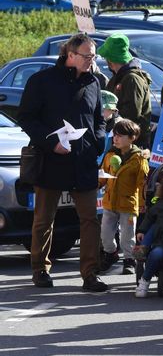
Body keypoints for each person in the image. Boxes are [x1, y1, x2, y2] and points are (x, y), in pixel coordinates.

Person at [18, 32, 108, 292]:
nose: (91, 60)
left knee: (90, 219)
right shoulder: (42, 81)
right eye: (87, 55)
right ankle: (40, 269)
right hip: (51, 159)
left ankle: (90, 274)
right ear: (70, 55)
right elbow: (27, 118)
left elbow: (98, 120)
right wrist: (50, 143)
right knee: (44, 218)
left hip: (83, 162)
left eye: (93, 55)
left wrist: (97, 142)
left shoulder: (93, 82)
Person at [98, 118, 150, 275]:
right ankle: (110, 253)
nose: (116, 138)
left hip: (128, 202)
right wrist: (98, 183)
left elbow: (142, 183)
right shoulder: (110, 155)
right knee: (105, 233)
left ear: (132, 138)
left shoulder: (139, 158)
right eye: (115, 135)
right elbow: (103, 174)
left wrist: (142, 203)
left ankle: (129, 260)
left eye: (120, 136)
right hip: (109, 201)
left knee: (127, 235)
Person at [97, 33, 153, 148]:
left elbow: (132, 115)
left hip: (131, 145)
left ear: (110, 60)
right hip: (120, 141)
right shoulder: (118, 77)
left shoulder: (132, 79)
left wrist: (110, 116)